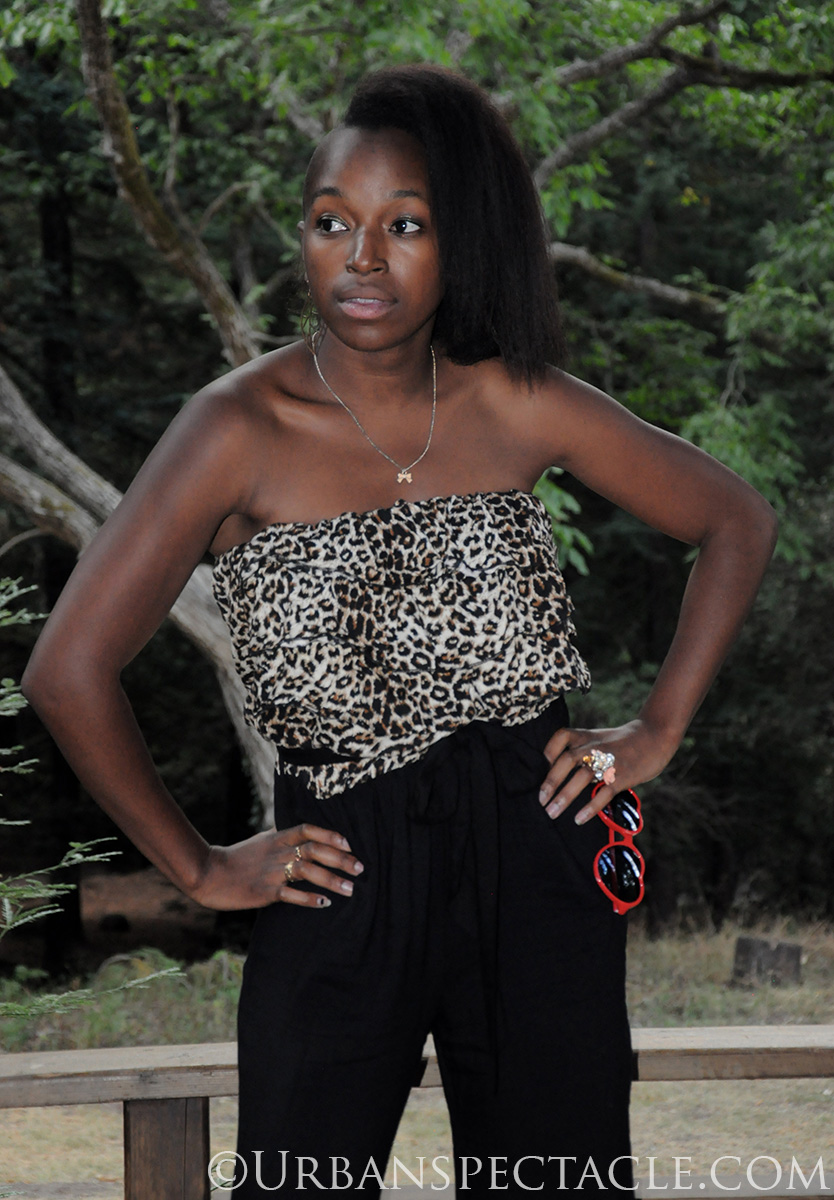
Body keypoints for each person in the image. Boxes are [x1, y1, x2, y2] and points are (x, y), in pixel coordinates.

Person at [23, 64, 777, 1195]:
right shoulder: (234, 428)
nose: (362, 258)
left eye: (405, 225)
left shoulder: (516, 398)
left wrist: (656, 730)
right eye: (332, 222)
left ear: (460, 238)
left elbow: (735, 519)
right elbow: (68, 668)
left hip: (537, 845)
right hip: (340, 866)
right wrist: (198, 866)